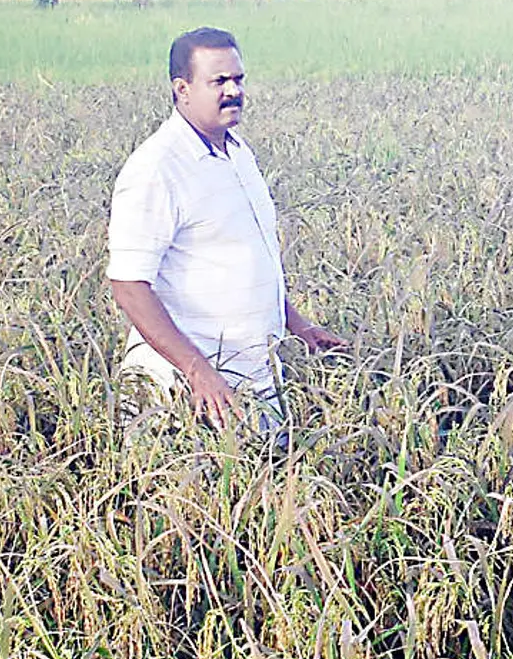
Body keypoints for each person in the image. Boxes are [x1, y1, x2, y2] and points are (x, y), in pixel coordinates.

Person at [107, 26, 344, 433]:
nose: (232, 91)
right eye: (218, 81)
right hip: (184, 396)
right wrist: (197, 370)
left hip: (253, 382)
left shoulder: (237, 152)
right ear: (182, 89)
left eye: (238, 79)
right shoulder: (156, 169)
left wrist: (299, 326)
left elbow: (249, 258)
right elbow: (128, 285)